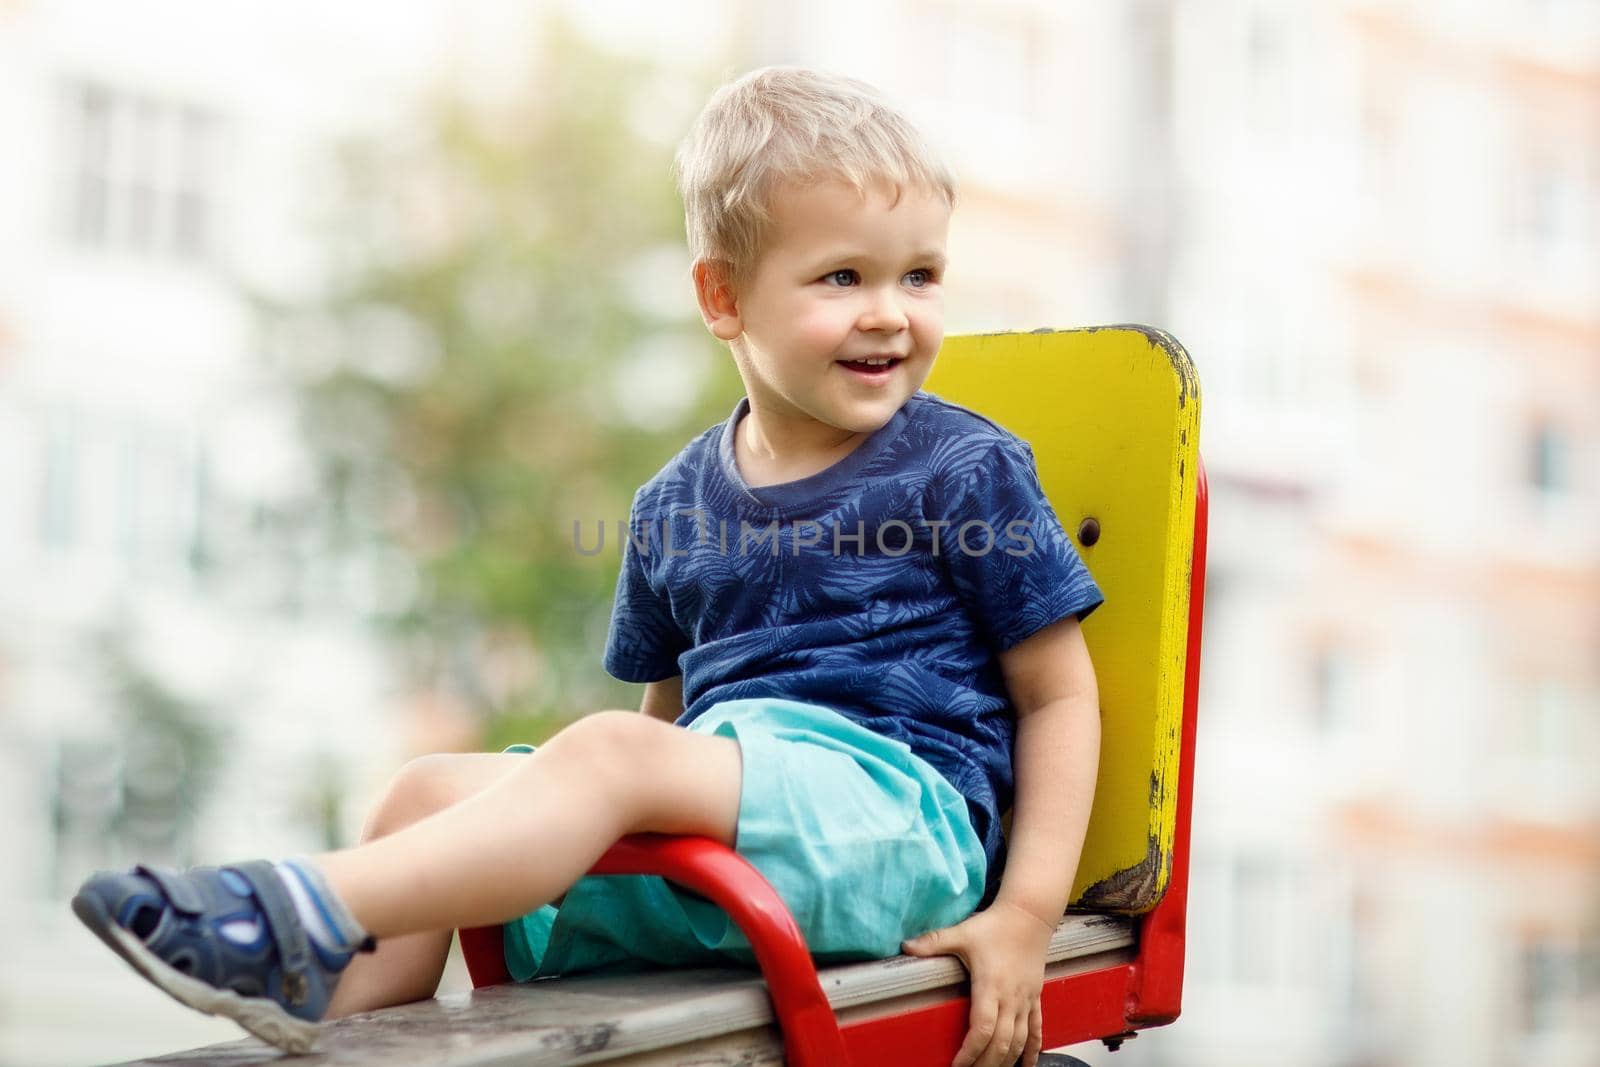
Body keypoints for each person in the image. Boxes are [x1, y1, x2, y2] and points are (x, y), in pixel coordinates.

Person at [72, 66, 1103, 1067]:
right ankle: (329, 1012)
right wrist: (617, 808)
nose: (891, 309)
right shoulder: (672, 502)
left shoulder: (962, 466)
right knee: (424, 788)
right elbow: (671, 727)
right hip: (747, 835)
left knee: (607, 754)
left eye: (918, 274)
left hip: (893, 830)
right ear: (723, 296)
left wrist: (1023, 912)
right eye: (844, 276)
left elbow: (1057, 697)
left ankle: (298, 903)